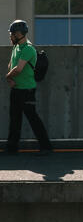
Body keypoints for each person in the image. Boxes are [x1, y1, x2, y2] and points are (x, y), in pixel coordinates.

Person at [6, 20, 51, 155]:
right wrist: (11, 77)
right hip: (16, 89)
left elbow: (18, 69)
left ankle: (46, 147)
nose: (10, 36)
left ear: (19, 33)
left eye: (12, 34)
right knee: (15, 119)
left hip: (27, 90)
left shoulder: (28, 49)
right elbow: (11, 64)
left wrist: (8, 77)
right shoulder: (16, 47)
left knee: (33, 119)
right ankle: (12, 148)